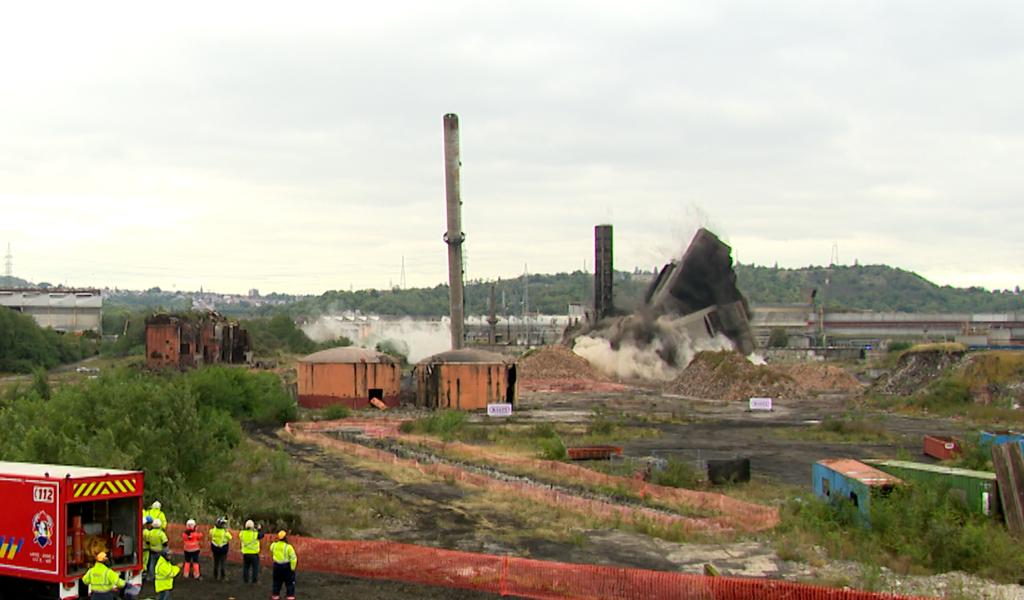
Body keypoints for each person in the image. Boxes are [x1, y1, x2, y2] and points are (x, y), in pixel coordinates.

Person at [270, 530, 297, 600]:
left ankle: (275, 596)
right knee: (289, 583)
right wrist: (292, 568)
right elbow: (293, 558)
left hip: (276, 566)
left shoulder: (274, 545)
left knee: (276, 582)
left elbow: (271, 549)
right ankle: (290, 597)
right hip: (286, 567)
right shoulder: (288, 547)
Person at [239, 519, 264, 584]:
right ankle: (254, 580)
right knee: (255, 568)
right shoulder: (255, 534)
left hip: (245, 553)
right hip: (254, 554)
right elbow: (262, 535)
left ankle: (245, 580)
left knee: (246, 567)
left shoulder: (242, 533)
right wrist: (259, 529)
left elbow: (241, 535)